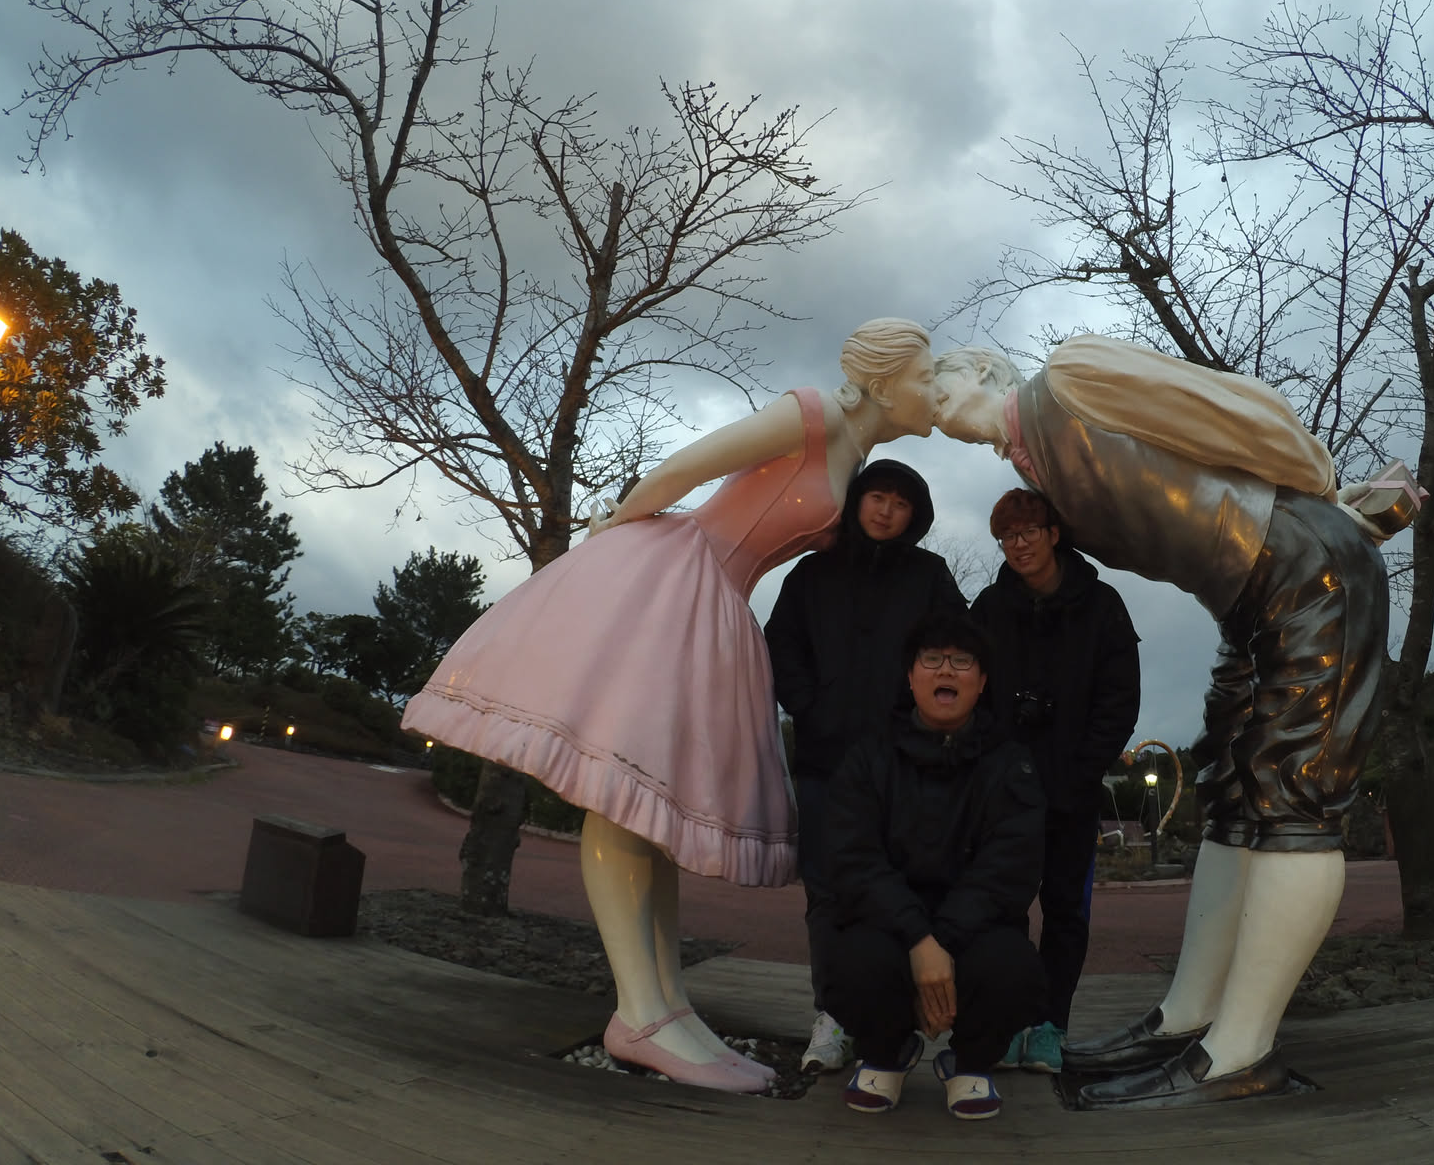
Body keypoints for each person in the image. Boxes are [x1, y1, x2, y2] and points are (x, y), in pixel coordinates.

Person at [402, 319, 944, 1094]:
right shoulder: (814, 412)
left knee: (648, 808)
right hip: (675, 576)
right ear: (886, 380)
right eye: (927, 375)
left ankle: (664, 1005)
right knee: (623, 792)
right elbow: (686, 468)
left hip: (719, 600)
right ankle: (639, 1012)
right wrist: (613, 533)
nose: (935, 389)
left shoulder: (856, 457)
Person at [931, 334, 1421, 1108]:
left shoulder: (1067, 381)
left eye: (938, 388)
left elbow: (1235, 408)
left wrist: (1322, 484)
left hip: (1307, 571)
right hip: (1246, 596)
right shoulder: (1035, 466)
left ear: (986, 370)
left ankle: (1241, 1049)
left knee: (1292, 792)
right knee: (1230, 790)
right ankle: (1190, 1017)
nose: (932, 412)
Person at [765, 458, 967, 1072]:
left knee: (903, 888)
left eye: (901, 504)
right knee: (827, 892)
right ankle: (832, 1017)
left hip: (907, 764)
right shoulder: (814, 572)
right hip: (826, 761)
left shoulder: (929, 576)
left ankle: (892, 1021)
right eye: (877, 497)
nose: (886, 511)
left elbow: (955, 651)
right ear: (856, 502)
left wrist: (923, 724)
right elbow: (781, 645)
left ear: (914, 516)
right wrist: (812, 707)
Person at [824, 612, 1047, 1120]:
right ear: (910, 676)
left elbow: (1009, 870)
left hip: (975, 933)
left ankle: (970, 1061)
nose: (946, 670)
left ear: (982, 681)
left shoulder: (1011, 764)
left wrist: (939, 943)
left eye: (962, 661)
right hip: (889, 929)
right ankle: (885, 1053)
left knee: (1013, 969)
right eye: (932, 659)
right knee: (851, 962)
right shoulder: (867, 759)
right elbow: (853, 860)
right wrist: (918, 939)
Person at [969, 487, 1139, 1073]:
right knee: (1003, 910)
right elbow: (971, 690)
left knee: (1066, 912)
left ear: (1053, 534)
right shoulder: (989, 608)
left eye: (1027, 533)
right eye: (1006, 537)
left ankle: (1050, 1025)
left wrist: (1081, 769)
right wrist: (991, 764)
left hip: (1073, 789)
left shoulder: (1102, 605)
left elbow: (1119, 700)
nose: (1018, 545)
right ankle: (1010, 1018)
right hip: (1005, 792)